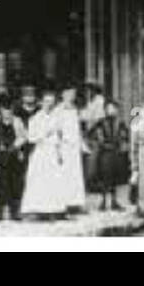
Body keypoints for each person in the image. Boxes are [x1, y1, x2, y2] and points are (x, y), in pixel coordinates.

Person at [21, 89, 67, 219]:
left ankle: (55, 210)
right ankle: (40, 210)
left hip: (52, 151)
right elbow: (31, 138)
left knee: (54, 180)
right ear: (41, 103)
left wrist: (59, 154)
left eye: (51, 102)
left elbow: (58, 137)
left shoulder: (55, 118)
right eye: (46, 102)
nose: (49, 105)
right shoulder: (35, 119)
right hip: (41, 152)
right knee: (41, 181)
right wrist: (45, 133)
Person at [0, 101, 27, 222]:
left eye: (9, 111)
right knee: (0, 185)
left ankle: (14, 212)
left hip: (13, 157)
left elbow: (24, 136)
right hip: (0, 157)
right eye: (4, 111)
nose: (7, 113)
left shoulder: (17, 121)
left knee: (14, 185)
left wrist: (14, 145)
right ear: (1, 110)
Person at [90, 100, 128, 211]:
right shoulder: (100, 122)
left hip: (116, 152)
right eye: (109, 108)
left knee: (115, 177)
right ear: (105, 110)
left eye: (114, 109)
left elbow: (125, 135)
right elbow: (91, 134)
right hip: (104, 153)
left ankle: (114, 201)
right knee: (104, 176)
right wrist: (97, 144)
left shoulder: (120, 123)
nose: (111, 111)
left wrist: (123, 143)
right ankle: (103, 202)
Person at [57, 84, 86, 213]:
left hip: (74, 146)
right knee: (65, 175)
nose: (71, 96)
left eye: (73, 94)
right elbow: (57, 130)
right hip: (65, 145)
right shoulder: (58, 110)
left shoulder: (75, 109)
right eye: (69, 93)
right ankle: (65, 204)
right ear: (63, 94)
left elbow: (77, 129)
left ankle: (76, 203)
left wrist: (82, 144)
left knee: (76, 175)